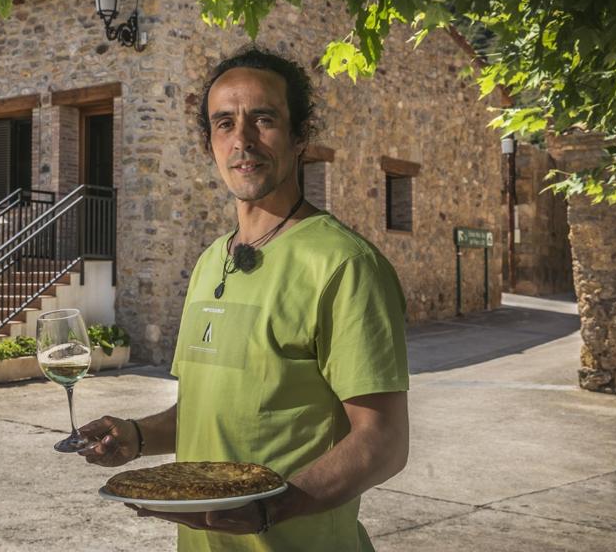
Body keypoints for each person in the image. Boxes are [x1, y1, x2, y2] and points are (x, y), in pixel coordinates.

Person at [78, 47, 410, 551]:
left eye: (263, 119)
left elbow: (383, 441)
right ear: (209, 142)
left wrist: (272, 507)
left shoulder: (344, 264)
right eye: (225, 124)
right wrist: (136, 436)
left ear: (299, 136)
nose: (243, 140)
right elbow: (212, 415)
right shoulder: (212, 261)